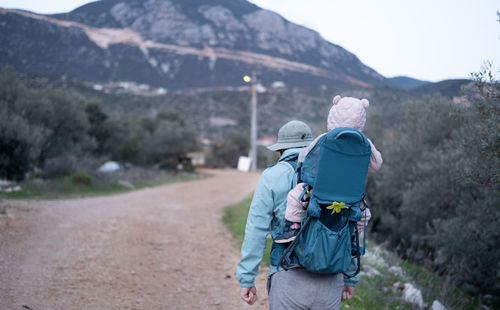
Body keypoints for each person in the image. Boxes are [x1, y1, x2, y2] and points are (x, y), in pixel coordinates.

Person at [236, 120, 359, 310]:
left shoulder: (272, 176)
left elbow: (256, 229)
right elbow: (352, 225)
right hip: (331, 277)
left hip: (288, 276)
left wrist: (247, 278)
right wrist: (350, 277)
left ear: (281, 150)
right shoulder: (335, 172)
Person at [274, 95, 382, 243]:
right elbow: (376, 165)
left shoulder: (325, 139)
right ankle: (352, 239)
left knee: (295, 196)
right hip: (351, 197)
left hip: (320, 193)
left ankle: (293, 227)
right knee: (365, 214)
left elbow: (305, 157)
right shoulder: (365, 144)